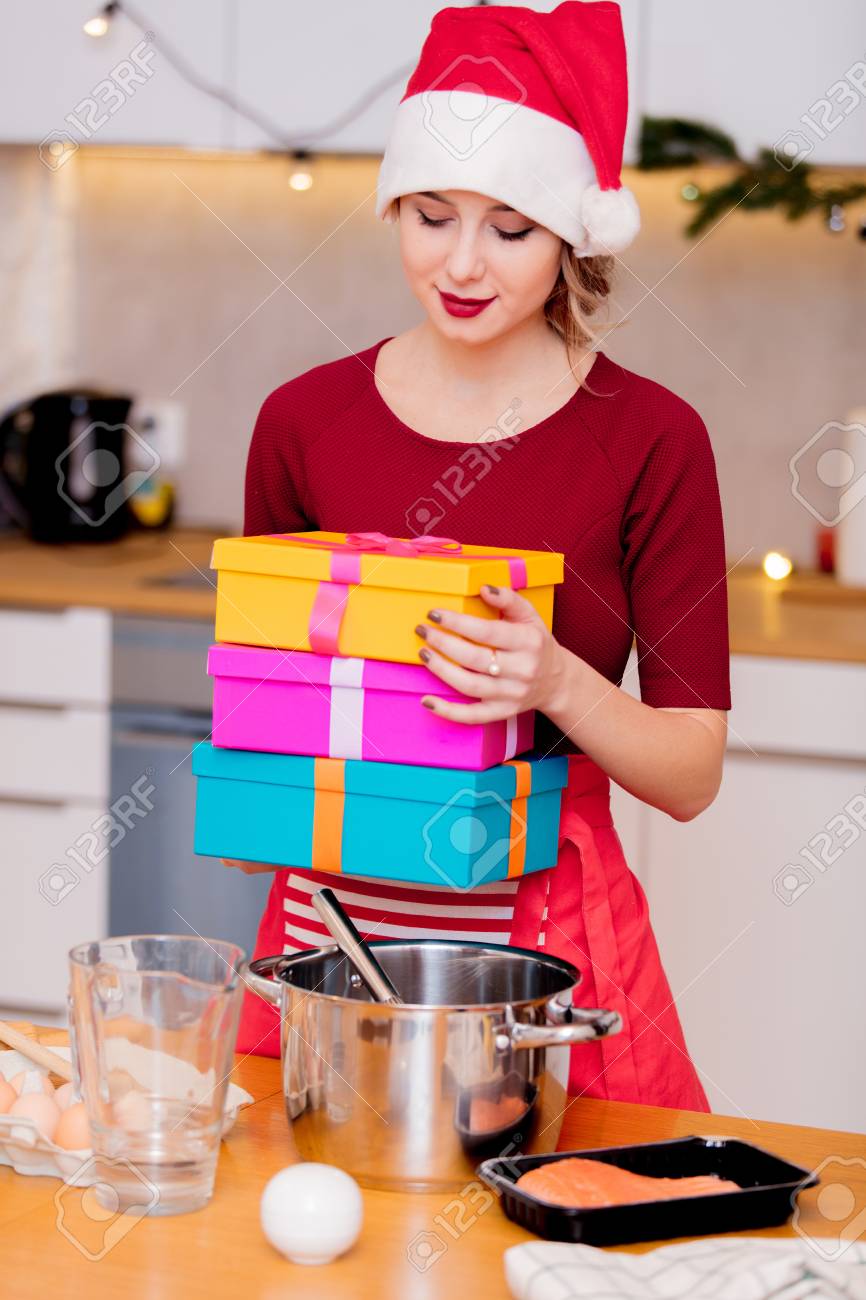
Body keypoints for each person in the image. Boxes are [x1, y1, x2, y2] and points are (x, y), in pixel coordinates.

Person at [226, 0, 730, 1111]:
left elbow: (689, 773)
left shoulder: (649, 438)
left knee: (568, 1249)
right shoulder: (301, 422)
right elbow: (276, 707)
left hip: (544, 958)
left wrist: (552, 679)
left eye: (509, 228)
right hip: (328, 936)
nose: (461, 263)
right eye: (428, 214)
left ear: (570, 236)